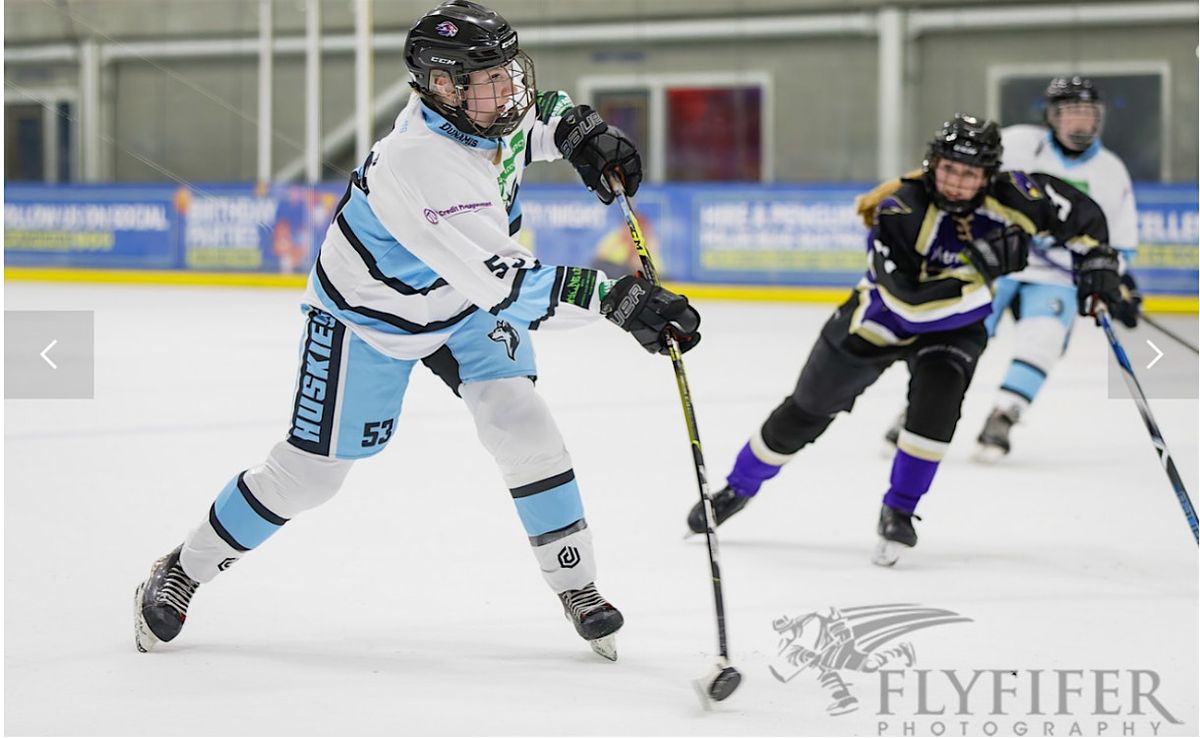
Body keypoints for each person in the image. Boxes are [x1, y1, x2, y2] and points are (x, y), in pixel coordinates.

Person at [134, 0, 701, 662]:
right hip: (370, 320)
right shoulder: (419, 163)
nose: (507, 89)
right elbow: (511, 289)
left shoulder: (484, 109)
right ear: (441, 86)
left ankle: (577, 587)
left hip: (461, 304)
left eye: (507, 72)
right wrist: (620, 299)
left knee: (523, 423)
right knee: (310, 477)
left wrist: (582, 131)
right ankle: (182, 566)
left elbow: (540, 113)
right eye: (487, 79)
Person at [684, 113, 1119, 566]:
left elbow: (1084, 218)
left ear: (989, 176)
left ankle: (900, 511)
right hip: (876, 324)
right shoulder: (899, 207)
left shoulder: (1020, 194)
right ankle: (737, 487)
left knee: (937, 408)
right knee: (807, 410)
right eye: (949, 168)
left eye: (969, 174)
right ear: (933, 163)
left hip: (954, 329)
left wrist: (1100, 265)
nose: (955, 182)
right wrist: (984, 264)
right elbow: (907, 302)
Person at [884, 76, 1141, 459]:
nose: (1080, 123)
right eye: (1071, 114)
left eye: (1088, 114)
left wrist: (1114, 279)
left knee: (1044, 337)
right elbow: (961, 175)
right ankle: (922, 409)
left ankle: (1004, 415)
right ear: (1052, 116)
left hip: (1056, 278)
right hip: (993, 263)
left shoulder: (1111, 171)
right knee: (956, 335)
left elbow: (1118, 243)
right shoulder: (1017, 143)